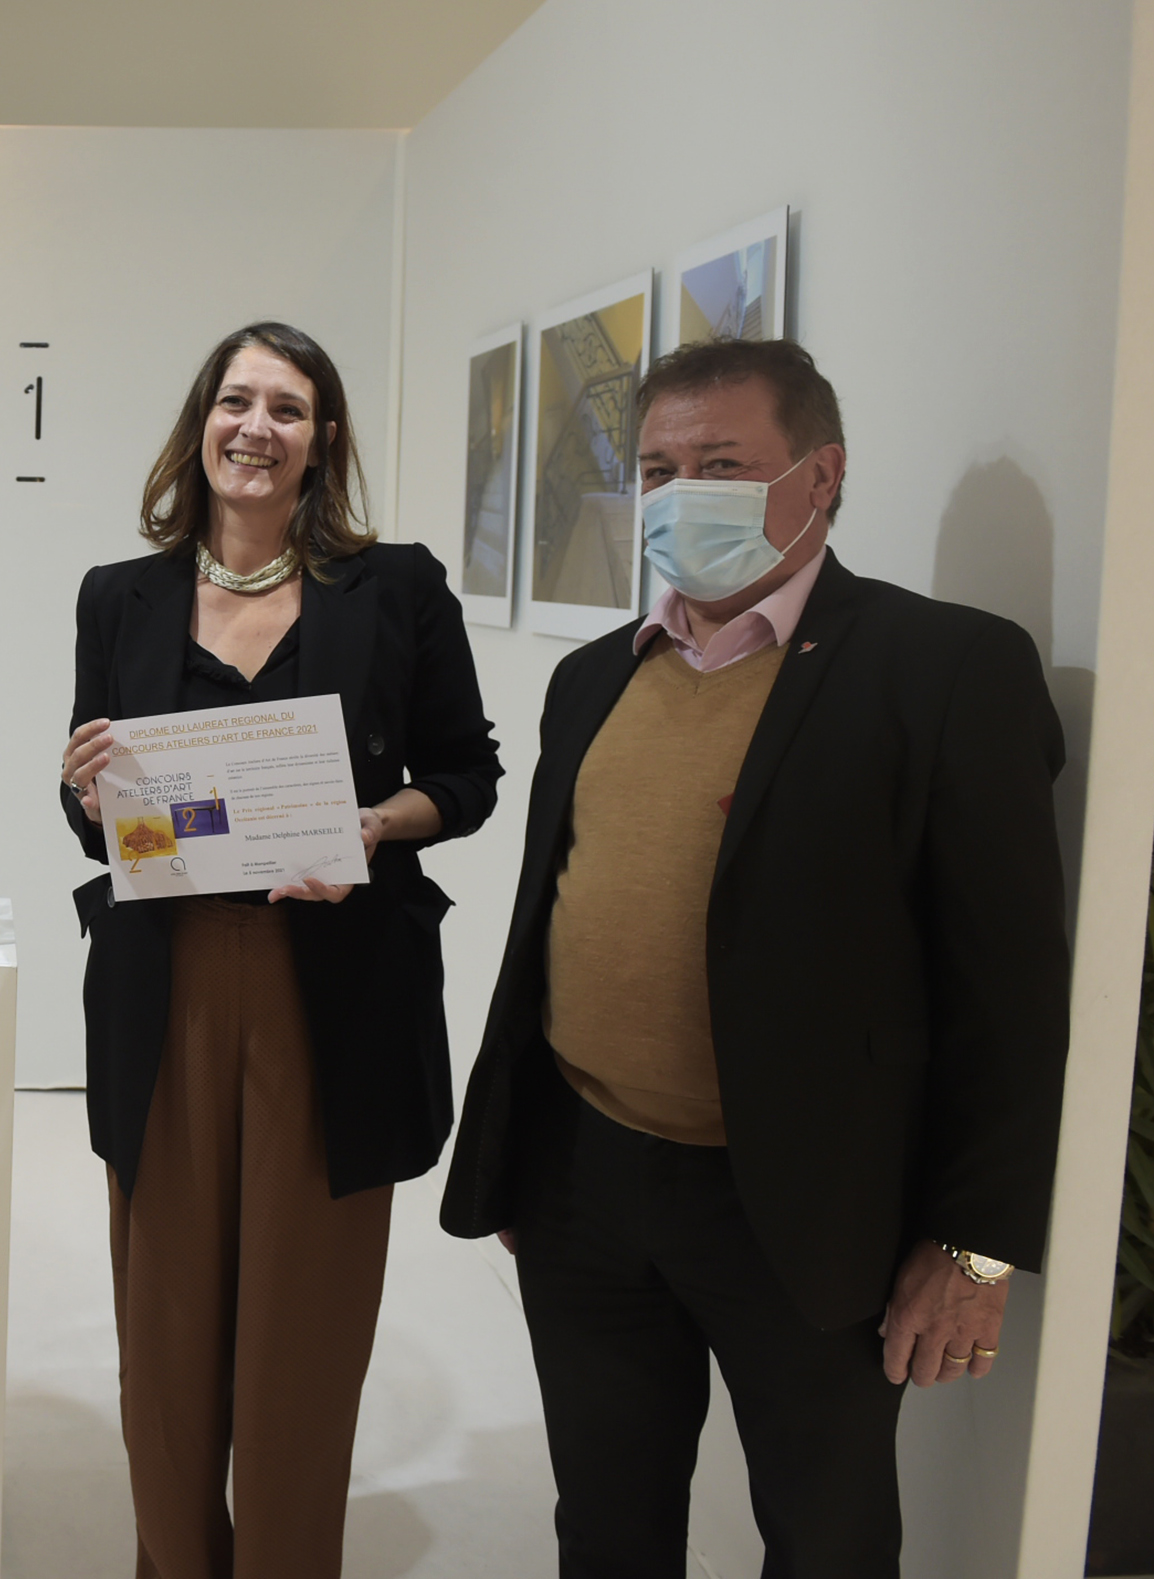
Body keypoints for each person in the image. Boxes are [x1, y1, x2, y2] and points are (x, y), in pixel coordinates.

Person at [440, 338, 1071, 1576]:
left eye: (722, 464)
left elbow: (1010, 993)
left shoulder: (945, 668)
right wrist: (517, 1154)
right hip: (582, 1178)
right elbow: (544, 929)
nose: (681, 495)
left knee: (827, 1538)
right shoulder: (591, 677)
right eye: (658, 469)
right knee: (605, 1524)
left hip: (807, 1205)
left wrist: (975, 1246)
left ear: (819, 476)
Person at [58, 322, 503, 1577]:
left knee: (302, 1338)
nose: (256, 428)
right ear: (200, 423)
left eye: (288, 409)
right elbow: (98, 817)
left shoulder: (396, 588)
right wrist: (85, 789)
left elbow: (466, 777)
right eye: (236, 401)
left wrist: (374, 826)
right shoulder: (118, 595)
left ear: (321, 440)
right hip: (168, 985)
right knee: (167, 1331)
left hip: (335, 992)